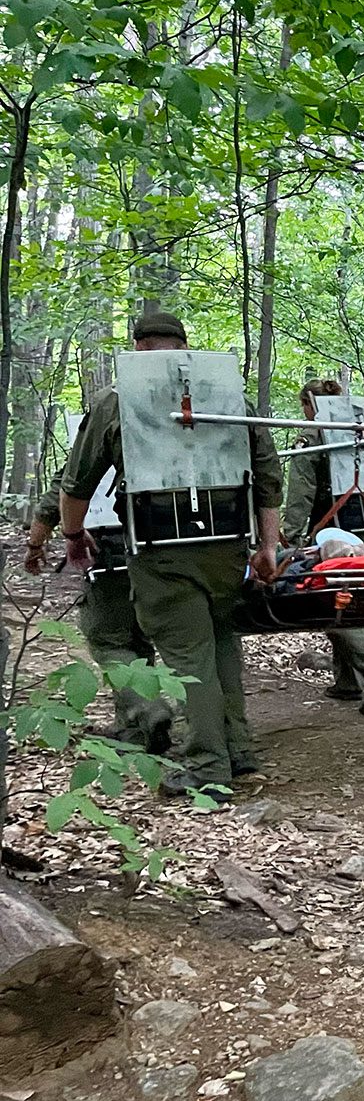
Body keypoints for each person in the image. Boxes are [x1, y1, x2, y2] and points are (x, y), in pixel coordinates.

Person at [59, 311, 283, 797]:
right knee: (221, 642)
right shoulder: (227, 396)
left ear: (138, 349)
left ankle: (208, 764)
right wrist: (269, 545)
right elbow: (268, 476)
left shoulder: (118, 401)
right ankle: (238, 749)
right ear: (184, 347)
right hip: (228, 546)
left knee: (188, 657)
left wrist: (72, 535)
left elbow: (78, 481)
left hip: (163, 550)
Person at [281, 377, 364, 715]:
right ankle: (347, 681)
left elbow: (301, 492)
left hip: (336, 536)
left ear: (310, 405)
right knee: (351, 604)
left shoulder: (312, 436)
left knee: (331, 608)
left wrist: (289, 540)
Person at [23, 488, 173, 754]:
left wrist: (35, 543)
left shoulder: (98, 445)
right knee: (137, 639)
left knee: (108, 642)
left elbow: (68, 487)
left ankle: (149, 709)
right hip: (166, 542)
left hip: (111, 547)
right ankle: (131, 729)